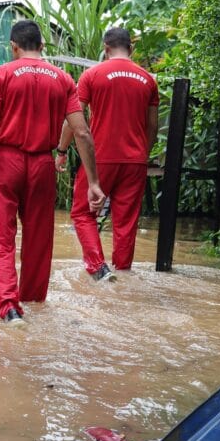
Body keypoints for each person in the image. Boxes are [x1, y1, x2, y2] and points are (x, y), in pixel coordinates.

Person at [0, 20, 104, 325]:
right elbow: (82, 132)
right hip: (42, 164)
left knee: (1, 238)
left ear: (14, 46)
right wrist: (93, 181)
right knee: (39, 240)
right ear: (42, 45)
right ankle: (34, 303)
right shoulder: (64, 79)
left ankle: (9, 308)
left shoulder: (2, 74)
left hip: (6, 162)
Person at [55, 27, 159, 281]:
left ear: (106, 48)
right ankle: (122, 274)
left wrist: (61, 150)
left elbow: (73, 121)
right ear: (130, 48)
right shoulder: (148, 79)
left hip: (100, 158)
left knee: (82, 213)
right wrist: (141, 155)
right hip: (135, 160)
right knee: (125, 222)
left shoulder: (92, 75)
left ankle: (98, 267)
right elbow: (153, 126)